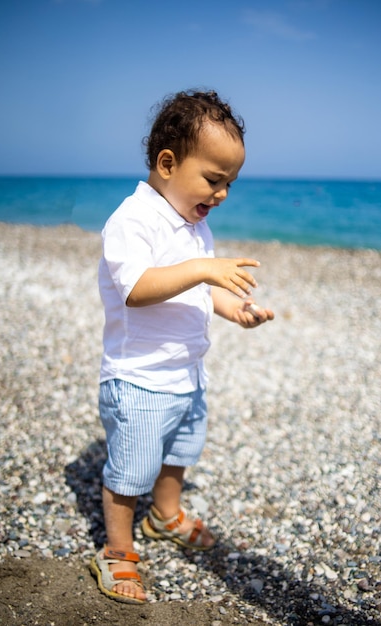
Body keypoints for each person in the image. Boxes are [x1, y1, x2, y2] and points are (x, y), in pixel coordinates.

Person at [90, 89, 274, 604]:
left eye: (229, 184)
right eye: (213, 180)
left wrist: (232, 308)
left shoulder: (195, 223)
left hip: (187, 373)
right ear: (167, 164)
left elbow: (197, 285)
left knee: (178, 454)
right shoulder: (132, 221)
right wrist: (202, 268)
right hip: (140, 377)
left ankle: (165, 515)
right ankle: (117, 549)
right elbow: (137, 288)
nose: (220, 195)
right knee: (129, 472)